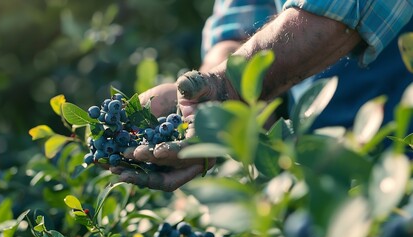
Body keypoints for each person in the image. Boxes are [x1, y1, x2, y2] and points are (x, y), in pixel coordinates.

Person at [110, 0, 413, 192]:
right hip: (322, 167)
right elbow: (238, 25)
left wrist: (226, 86)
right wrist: (203, 102)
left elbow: (347, 9)